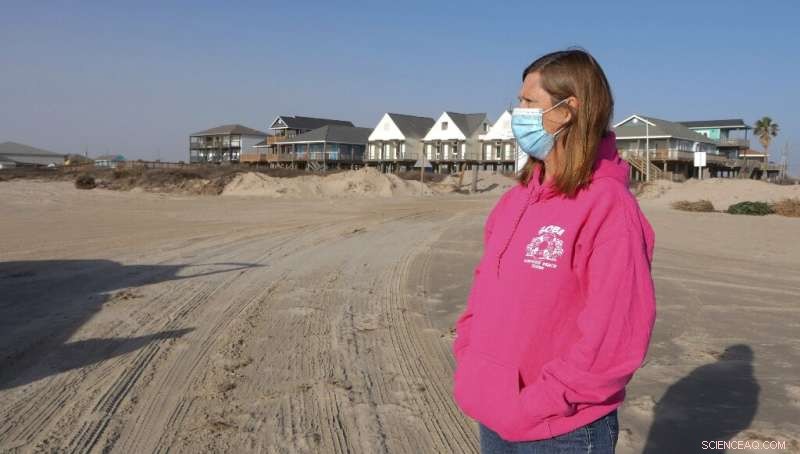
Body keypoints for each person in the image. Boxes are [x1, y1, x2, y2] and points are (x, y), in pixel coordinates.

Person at [451, 48, 657, 454]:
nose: (517, 112)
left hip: (561, 430)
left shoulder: (608, 207)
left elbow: (617, 335)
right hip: (494, 413)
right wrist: (470, 358)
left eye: (529, 102)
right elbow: (483, 289)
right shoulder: (514, 201)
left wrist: (542, 401)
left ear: (568, 109)